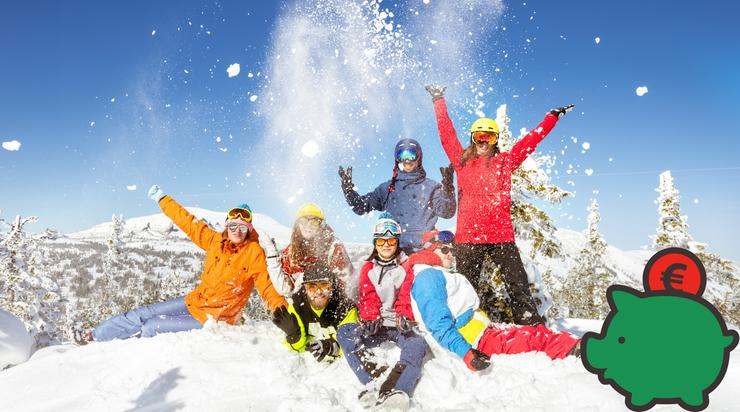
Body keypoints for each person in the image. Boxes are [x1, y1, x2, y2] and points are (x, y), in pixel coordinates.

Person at [425, 84, 575, 325]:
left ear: (496, 140)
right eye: (480, 136)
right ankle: (465, 328)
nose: (484, 141)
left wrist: (551, 118)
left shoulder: (505, 162)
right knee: (466, 287)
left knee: (518, 286)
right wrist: (439, 101)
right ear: (473, 139)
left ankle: (530, 325)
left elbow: (531, 141)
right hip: (468, 239)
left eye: (490, 136)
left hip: (501, 237)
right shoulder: (462, 161)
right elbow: (446, 134)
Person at [74, 185, 288, 344]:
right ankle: (95, 335)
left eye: (243, 227)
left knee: (152, 326)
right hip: (194, 301)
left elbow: (267, 287)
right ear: (227, 226)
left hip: (214, 317)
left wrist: (283, 312)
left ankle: (129, 352)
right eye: (233, 225)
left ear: (250, 229)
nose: (237, 231)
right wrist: (163, 199)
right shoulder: (215, 241)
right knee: (144, 312)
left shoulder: (254, 253)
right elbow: (187, 221)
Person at [402, 230, 580, 372]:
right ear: (428, 250)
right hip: (475, 342)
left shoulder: (435, 273)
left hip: (484, 332)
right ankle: (581, 350)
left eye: (452, 249)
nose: (450, 254)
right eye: (444, 249)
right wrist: (466, 354)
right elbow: (438, 324)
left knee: (532, 333)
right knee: (533, 341)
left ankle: (578, 344)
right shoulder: (427, 277)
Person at [336, 215, 427, 410]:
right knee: (345, 333)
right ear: (375, 243)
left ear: (397, 242)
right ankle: (373, 380)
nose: (386, 245)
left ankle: (396, 389)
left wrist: (403, 316)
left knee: (417, 345)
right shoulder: (368, 267)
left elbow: (405, 294)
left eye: (391, 240)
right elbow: (368, 295)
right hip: (376, 324)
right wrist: (370, 316)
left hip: (399, 325)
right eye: (381, 241)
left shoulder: (406, 266)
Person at [338, 138, 456, 254]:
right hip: (394, 251)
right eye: (401, 155)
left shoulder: (431, 187)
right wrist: (348, 191)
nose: (407, 160)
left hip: (425, 250)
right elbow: (361, 207)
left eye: (411, 155)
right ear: (397, 159)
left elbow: (447, 212)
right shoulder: (387, 189)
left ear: (419, 157)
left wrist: (448, 189)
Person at [261, 203, 353, 299]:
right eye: (304, 221)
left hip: (328, 305)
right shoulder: (292, 250)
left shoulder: (334, 248)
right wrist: (272, 256)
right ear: (298, 225)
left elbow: (345, 287)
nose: (308, 226)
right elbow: (284, 288)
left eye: (314, 222)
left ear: (321, 225)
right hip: (302, 307)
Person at [271, 263, 357, 363]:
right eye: (312, 287)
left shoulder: (345, 308)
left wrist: (331, 347)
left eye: (324, 285)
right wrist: (293, 335)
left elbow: (352, 344)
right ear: (305, 289)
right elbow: (296, 350)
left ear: (332, 286)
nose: (319, 292)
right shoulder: (297, 307)